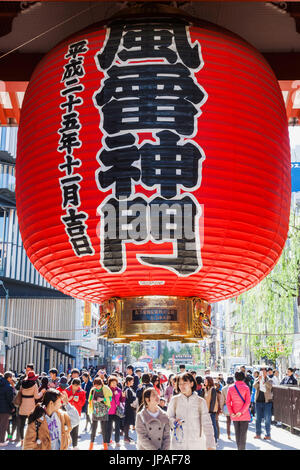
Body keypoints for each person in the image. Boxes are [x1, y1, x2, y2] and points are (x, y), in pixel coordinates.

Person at [167, 373, 216, 450]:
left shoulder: (200, 402)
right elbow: (168, 417)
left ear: (192, 383)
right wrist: (174, 421)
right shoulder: (174, 400)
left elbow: (207, 425)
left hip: (197, 444)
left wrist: (211, 445)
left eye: (184, 383)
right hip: (178, 444)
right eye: (180, 384)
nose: (182, 386)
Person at [17, 370, 45, 447]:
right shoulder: (34, 385)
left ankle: (22, 439)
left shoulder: (22, 384)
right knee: (32, 424)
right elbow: (36, 396)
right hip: (31, 407)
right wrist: (42, 392)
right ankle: (31, 439)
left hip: (23, 406)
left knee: (22, 425)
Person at [226, 372, 251, 450]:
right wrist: (241, 412)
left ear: (235, 378)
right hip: (244, 414)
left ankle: (238, 448)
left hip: (234, 414)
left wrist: (231, 413)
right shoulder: (246, 387)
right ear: (243, 378)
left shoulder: (230, 388)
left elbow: (228, 402)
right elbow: (248, 402)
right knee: (243, 435)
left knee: (237, 433)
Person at [88, 377, 112, 450]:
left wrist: (103, 399)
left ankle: (105, 446)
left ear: (101, 384)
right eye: (95, 385)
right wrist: (93, 401)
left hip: (104, 411)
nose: (97, 387)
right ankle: (91, 445)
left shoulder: (106, 389)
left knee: (104, 429)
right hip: (95, 411)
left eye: (98, 385)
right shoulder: (93, 390)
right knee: (93, 429)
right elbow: (90, 399)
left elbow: (110, 398)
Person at [65, 378, 86, 449]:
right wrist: (69, 399)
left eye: (77, 386)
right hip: (67, 412)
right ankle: (67, 444)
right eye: (74, 386)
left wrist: (77, 401)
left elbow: (83, 403)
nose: (76, 388)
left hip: (77, 412)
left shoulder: (82, 392)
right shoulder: (66, 390)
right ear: (72, 384)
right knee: (67, 429)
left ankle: (75, 445)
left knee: (75, 430)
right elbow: (63, 401)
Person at [254, 368, 273, 440]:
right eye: (262, 372)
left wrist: (264, 380)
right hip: (258, 402)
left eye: (264, 372)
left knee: (267, 419)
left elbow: (270, 387)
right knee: (258, 419)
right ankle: (258, 434)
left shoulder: (269, 380)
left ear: (266, 373)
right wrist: (259, 380)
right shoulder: (257, 379)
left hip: (267, 402)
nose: (263, 373)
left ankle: (268, 434)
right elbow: (254, 386)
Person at [107, 376, 124, 447]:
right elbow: (105, 399)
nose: (114, 384)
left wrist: (123, 396)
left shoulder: (119, 390)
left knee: (117, 427)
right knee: (109, 427)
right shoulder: (107, 390)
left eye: (115, 383)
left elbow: (122, 400)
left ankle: (117, 441)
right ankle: (108, 441)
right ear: (109, 383)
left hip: (117, 411)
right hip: (109, 411)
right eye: (112, 382)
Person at [0, 371, 15, 447]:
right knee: (3, 426)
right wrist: (12, 407)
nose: (12, 379)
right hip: (5, 409)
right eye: (11, 377)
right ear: (8, 378)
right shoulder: (8, 386)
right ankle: (1, 441)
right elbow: (10, 399)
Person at [203, 376, 218, 445]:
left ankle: (215, 439)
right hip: (206, 410)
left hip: (211, 411)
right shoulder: (205, 389)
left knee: (213, 425)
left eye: (206, 381)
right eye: (204, 381)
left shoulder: (213, 389)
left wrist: (210, 411)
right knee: (208, 426)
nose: (204, 382)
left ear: (209, 381)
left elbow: (213, 401)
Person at [123, 375, 137, 443]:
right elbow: (129, 399)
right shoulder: (127, 389)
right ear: (128, 381)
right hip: (129, 407)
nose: (133, 382)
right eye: (132, 381)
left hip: (129, 407)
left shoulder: (128, 388)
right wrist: (134, 399)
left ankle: (127, 436)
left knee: (127, 422)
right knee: (127, 422)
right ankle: (126, 437)